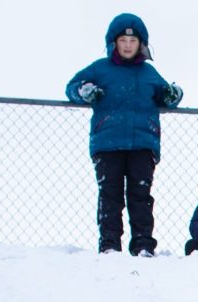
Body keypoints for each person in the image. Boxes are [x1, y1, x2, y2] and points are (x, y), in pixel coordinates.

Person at [66, 13, 183, 256]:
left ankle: (142, 245)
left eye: (133, 41)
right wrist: (85, 91)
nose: (128, 45)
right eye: (123, 40)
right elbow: (72, 87)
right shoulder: (100, 69)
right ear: (114, 43)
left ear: (141, 44)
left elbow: (166, 95)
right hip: (108, 143)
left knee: (140, 196)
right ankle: (109, 245)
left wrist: (174, 94)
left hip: (143, 142)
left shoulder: (148, 72)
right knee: (111, 195)